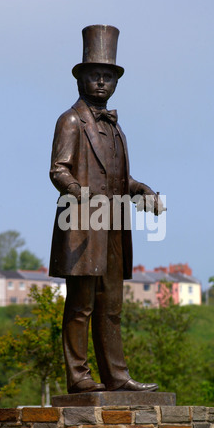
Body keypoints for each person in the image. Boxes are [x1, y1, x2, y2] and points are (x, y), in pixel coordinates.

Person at [49, 25, 163, 394]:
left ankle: (117, 376)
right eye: (94, 76)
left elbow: (118, 179)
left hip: (114, 228)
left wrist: (139, 189)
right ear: (81, 78)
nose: (101, 83)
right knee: (80, 306)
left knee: (111, 306)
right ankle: (79, 376)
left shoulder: (116, 129)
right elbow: (58, 169)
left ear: (115, 82)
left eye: (108, 77)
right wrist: (76, 192)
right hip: (82, 226)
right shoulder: (71, 120)